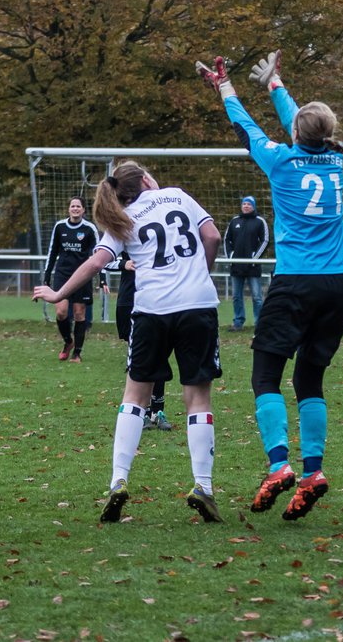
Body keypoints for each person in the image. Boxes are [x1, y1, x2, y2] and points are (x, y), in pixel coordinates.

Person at [200, 50, 343, 521]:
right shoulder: (335, 160)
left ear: (297, 136)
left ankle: (279, 466)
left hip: (295, 284)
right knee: (310, 379)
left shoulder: (283, 162)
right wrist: (276, 85)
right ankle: (313, 472)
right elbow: (305, 126)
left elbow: (246, 128)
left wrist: (223, 85)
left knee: (265, 376)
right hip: (337, 286)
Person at [34, 161, 223, 524]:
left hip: (152, 310)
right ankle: (203, 486)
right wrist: (201, 273)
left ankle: (118, 481)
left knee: (135, 395)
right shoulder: (178, 196)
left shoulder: (122, 218)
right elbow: (212, 237)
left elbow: (95, 263)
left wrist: (58, 291)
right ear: (148, 179)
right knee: (198, 396)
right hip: (197, 306)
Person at [108, 251, 172, 431]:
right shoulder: (124, 228)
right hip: (129, 302)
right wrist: (123, 264)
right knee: (140, 358)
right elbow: (100, 259)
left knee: (160, 356)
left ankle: (158, 411)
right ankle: (141, 412)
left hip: (158, 301)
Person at [42, 197, 107, 362]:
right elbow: (52, 252)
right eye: (73, 206)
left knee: (79, 313)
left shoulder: (89, 228)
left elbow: (99, 254)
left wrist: (102, 278)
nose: (75, 208)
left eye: (78, 206)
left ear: (83, 210)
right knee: (61, 312)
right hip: (62, 274)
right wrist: (47, 276)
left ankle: (77, 353)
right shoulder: (60, 227)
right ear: (69, 209)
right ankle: (68, 342)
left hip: (82, 275)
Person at [223, 195, 269, 331]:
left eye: (249, 204)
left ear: (253, 206)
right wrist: (231, 257)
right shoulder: (234, 221)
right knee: (236, 296)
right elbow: (226, 239)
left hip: (252, 266)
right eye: (244, 204)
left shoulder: (260, 221)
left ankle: (259, 324)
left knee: (257, 296)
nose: (246, 206)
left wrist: (255, 258)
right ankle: (238, 322)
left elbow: (265, 240)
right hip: (236, 266)